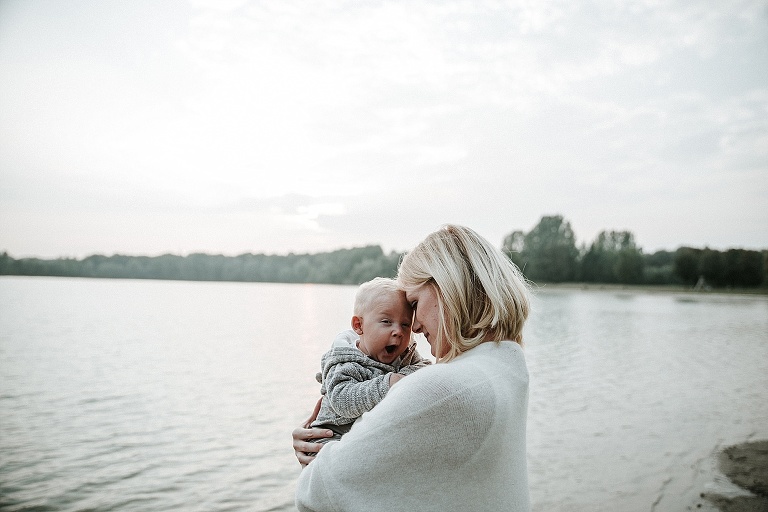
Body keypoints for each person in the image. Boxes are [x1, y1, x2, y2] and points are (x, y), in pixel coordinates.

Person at [292, 225, 532, 512]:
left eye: (415, 304)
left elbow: (315, 492)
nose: (414, 327)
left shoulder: (441, 388)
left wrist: (321, 451)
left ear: (448, 288)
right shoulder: (508, 367)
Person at [307, 277, 430, 447]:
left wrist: (400, 377)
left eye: (405, 324)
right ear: (359, 325)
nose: (398, 332)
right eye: (387, 322)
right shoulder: (345, 362)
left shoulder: (406, 355)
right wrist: (388, 384)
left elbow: (426, 370)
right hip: (330, 437)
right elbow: (342, 401)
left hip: (369, 440)